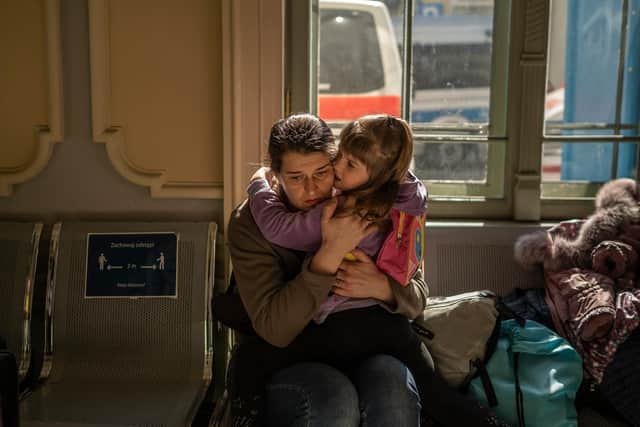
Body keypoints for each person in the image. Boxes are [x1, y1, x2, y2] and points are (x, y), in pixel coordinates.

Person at [226, 114, 509, 426]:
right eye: (296, 178)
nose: (313, 188)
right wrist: (329, 254)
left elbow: (417, 297)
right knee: (335, 398)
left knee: (397, 391)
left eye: (322, 172)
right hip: (297, 349)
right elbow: (275, 330)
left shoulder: (354, 195)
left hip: (371, 336)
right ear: (276, 174)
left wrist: (382, 287)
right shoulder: (250, 225)